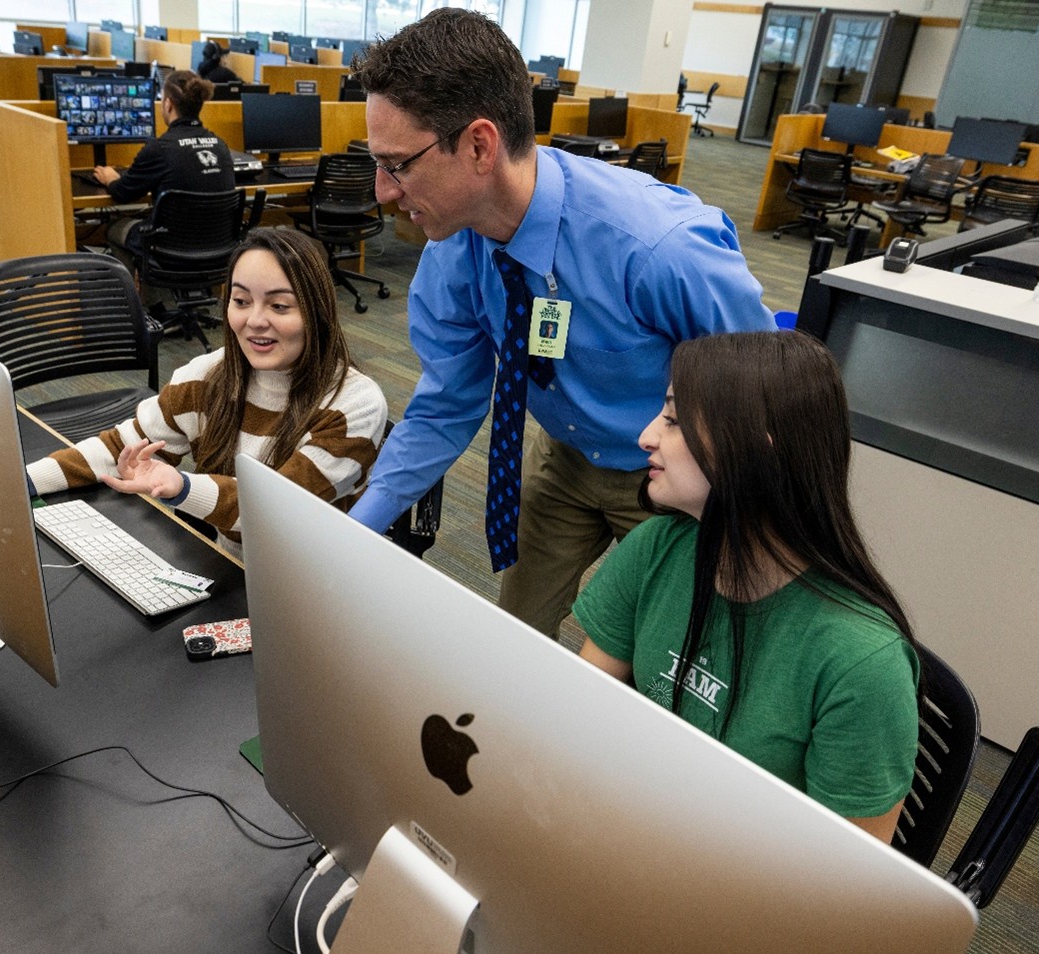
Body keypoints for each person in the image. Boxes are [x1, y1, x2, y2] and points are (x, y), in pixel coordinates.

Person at [347, 9, 774, 637]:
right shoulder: (453, 253)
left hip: (679, 476)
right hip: (566, 451)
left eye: (398, 165)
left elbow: (764, 399)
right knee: (516, 640)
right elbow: (445, 407)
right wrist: (356, 527)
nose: (383, 191)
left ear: (479, 147)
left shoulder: (657, 248)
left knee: (662, 662)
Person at [573, 331, 920, 842]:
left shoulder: (861, 662)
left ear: (753, 452)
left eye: (672, 420)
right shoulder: (658, 548)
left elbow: (846, 889)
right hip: (640, 832)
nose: (647, 436)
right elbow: (579, 712)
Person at [25, 228, 388, 551]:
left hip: (313, 583)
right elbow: (120, 447)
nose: (255, 321)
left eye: (279, 306)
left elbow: (274, 513)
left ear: (318, 312)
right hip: (233, 567)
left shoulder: (354, 403)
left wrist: (182, 486)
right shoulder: (208, 375)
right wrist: (22, 482)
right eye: (241, 301)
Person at [97, 70, 236, 276]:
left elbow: (123, 193)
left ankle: (137, 299)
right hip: (217, 248)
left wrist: (111, 178)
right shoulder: (221, 145)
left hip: (168, 250)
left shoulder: (159, 148)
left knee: (114, 228)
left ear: (168, 104)